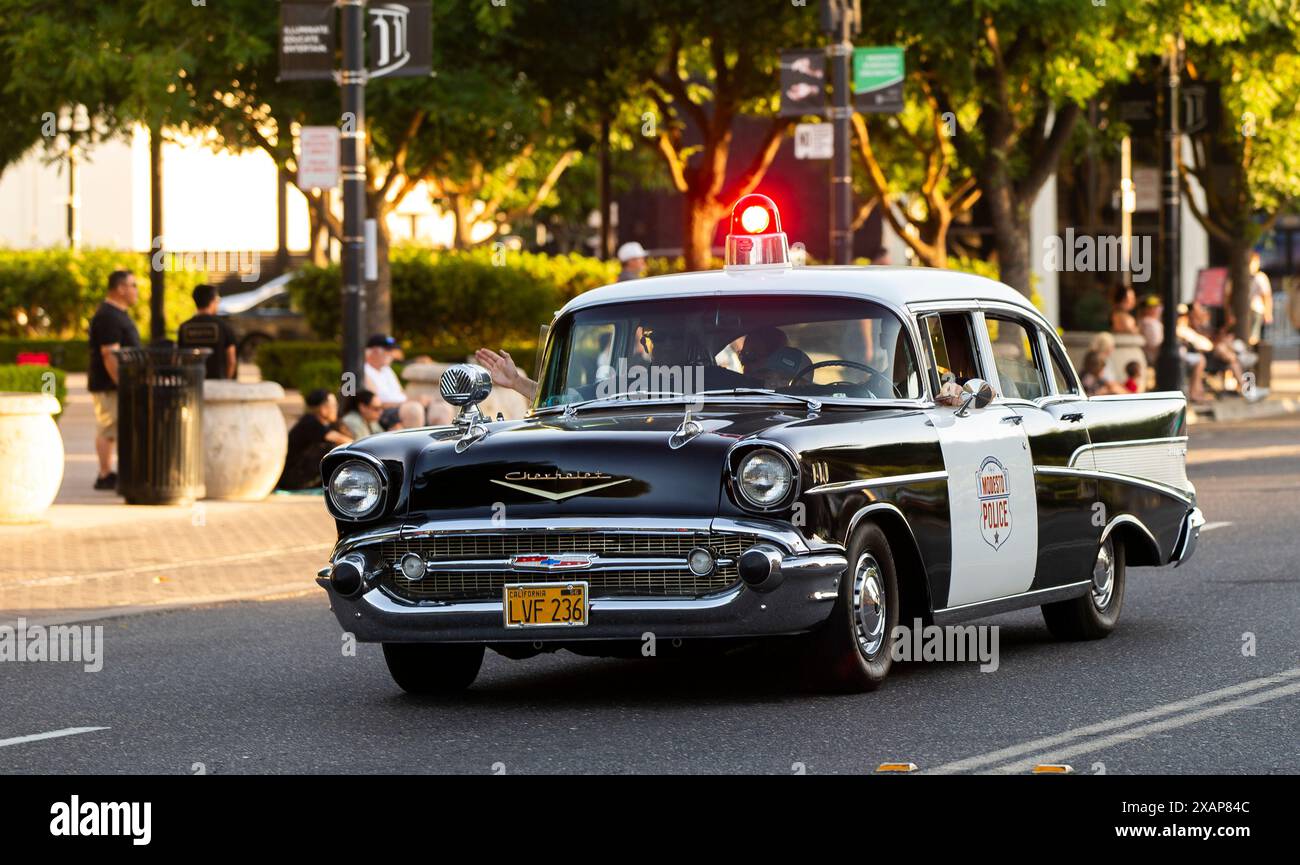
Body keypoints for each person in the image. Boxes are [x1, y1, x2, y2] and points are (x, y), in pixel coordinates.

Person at [87, 270, 142, 490]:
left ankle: (110, 473)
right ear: (120, 288)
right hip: (109, 385)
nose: (136, 290)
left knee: (113, 429)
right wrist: (122, 382)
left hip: (116, 384)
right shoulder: (108, 315)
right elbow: (109, 354)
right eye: (133, 285)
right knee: (107, 428)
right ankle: (105, 474)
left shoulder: (117, 313)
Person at [277, 389, 351, 490]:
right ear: (323, 409)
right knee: (332, 450)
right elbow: (338, 438)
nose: (336, 409)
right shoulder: (309, 421)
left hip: (304, 474)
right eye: (333, 406)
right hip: (292, 477)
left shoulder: (328, 424)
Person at [362, 334, 431, 428]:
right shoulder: (364, 371)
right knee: (413, 409)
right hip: (386, 412)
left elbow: (401, 394)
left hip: (401, 407)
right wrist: (411, 402)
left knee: (440, 407)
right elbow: (375, 404)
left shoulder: (387, 370)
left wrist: (418, 399)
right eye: (388, 350)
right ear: (374, 351)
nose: (392, 354)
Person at [176, 283, 237, 380]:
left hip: (192, 384)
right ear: (212, 301)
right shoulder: (223, 326)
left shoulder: (184, 327)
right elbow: (231, 361)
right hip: (217, 384)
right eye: (217, 300)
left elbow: (179, 359)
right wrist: (226, 381)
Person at [1246, 251, 1274, 347]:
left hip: (1257, 309)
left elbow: (1267, 296)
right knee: (1251, 336)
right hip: (1246, 310)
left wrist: (1268, 312)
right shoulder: (1242, 277)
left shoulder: (1260, 277)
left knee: (1255, 336)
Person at [1137, 295, 1164, 365]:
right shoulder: (1149, 323)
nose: (1159, 309)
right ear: (1147, 309)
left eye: (1158, 307)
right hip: (1156, 359)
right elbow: (1154, 344)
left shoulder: (1152, 322)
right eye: (1155, 307)